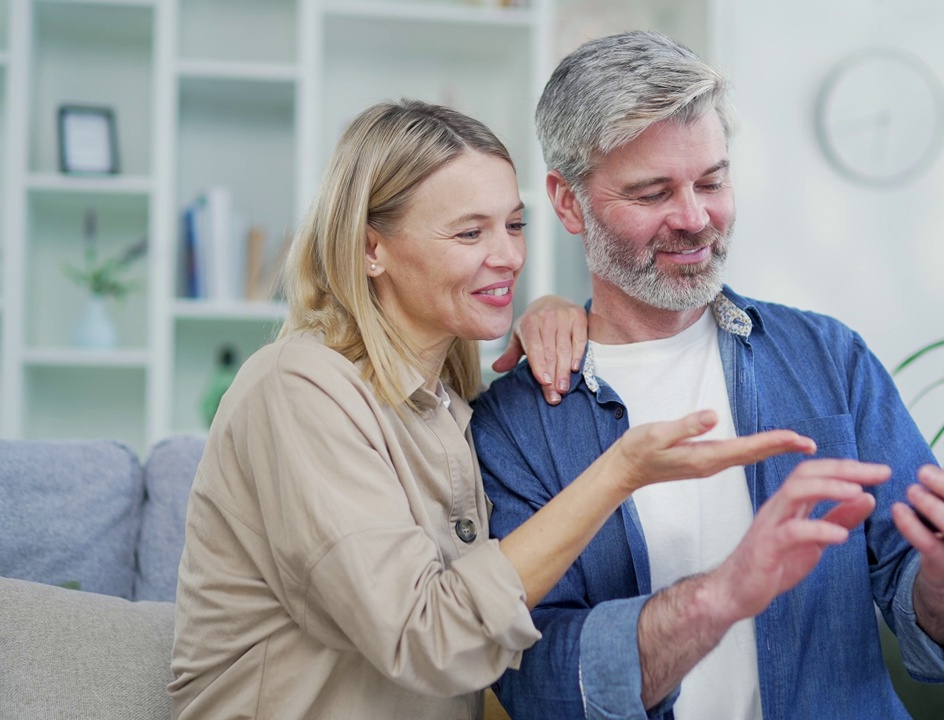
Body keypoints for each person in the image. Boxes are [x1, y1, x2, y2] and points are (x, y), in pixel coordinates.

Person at [167, 99, 821, 720]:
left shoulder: (447, 406)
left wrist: (551, 315)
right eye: (469, 231)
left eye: (514, 224)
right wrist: (620, 470)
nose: (508, 255)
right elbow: (428, 637)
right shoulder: (298, 389)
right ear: (373, 249)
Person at [472, 31, 944, 720]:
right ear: (567, 204)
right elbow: (537, 682)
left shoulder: (828, 358)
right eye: (652, 193)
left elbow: (931, 613)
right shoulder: (514, 425)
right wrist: (720, 596)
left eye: (712, 180)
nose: (695, 217)